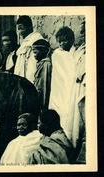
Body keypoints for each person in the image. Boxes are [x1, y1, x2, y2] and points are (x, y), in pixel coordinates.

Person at [49, 26, 76, 143]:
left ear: (71, 40)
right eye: (59, 41)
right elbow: (58, 76)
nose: (61, 44)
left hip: (71, 88)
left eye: (64, 40)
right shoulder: (57, 54)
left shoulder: (75, 54)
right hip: (58, 91)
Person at [69, 22, 86, 163]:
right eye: (81, 32)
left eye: (84, 31)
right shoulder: (80, 50)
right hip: (78, 86)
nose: (83, 34)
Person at [14, 16, 44, 83]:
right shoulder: (24, 42)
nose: (19, 32)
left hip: (31, 74)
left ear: (29, 27)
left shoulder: (36, 38)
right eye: (18, 29)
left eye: (21, 29)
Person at [32, 39, 52, 110]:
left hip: (42, 97)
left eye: (35, 52)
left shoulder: (46, 65)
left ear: (44, 51)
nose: (34, 55)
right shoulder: (40, 63)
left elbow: (44, 86)